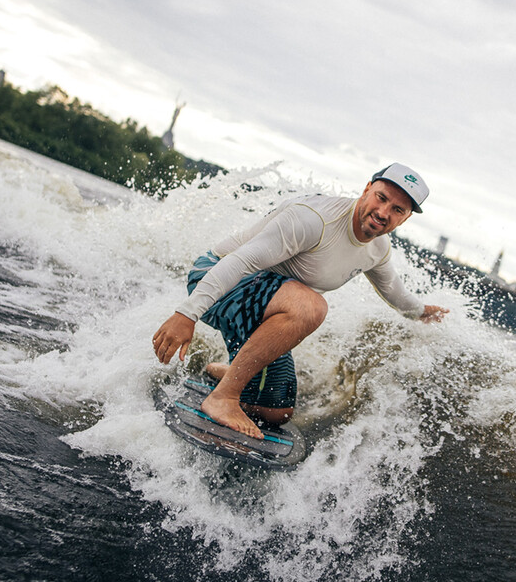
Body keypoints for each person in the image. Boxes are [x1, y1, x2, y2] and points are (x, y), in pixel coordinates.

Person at [152, 163, 449, 438]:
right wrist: (186, 315)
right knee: (311, 306)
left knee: (276, 411)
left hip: (263, 306)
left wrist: (424, 312)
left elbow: (395, 294)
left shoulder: (378, 249)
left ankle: (230, 372)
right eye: (381, 198)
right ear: (366, 189)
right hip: (215, 276)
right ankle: (223, 398)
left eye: (397, 209)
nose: (384, 212)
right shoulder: (314, 219)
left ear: (406, 218)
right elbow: (241, 260)